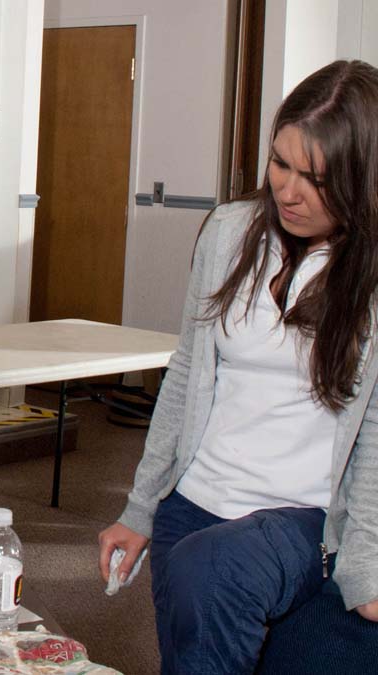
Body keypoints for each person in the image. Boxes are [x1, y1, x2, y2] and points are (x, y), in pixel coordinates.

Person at [97, 60, 378, 674]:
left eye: (318, 178)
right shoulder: (229, 231)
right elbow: (186, 376)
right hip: (195, 508)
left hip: (302, 521)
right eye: (281, 163)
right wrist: (141, 507)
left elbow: (376, 435)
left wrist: (366, 564)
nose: (288, 191)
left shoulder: (370, 274)